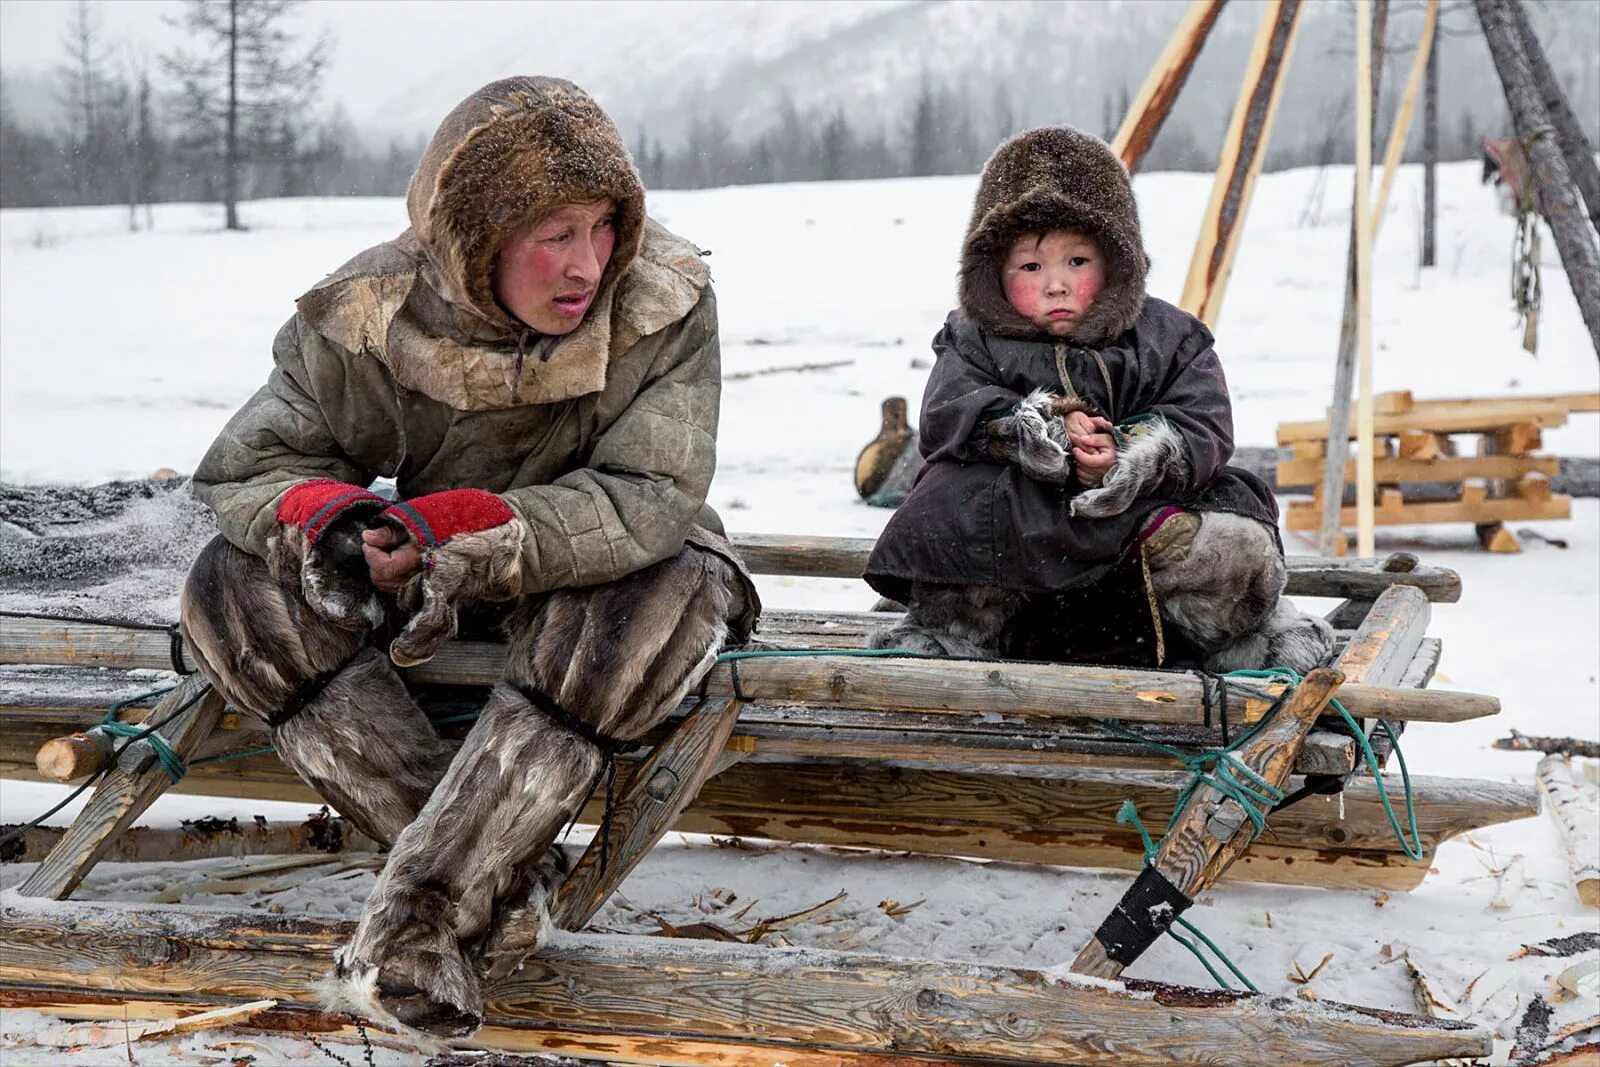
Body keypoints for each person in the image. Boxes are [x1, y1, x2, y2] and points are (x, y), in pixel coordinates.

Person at [179, 76, 758, 1037]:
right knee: (226, 589)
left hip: (608, 565)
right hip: (426, 579)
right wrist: (341, 525)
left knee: (666, 594)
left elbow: (649, 495)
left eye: (604, 226)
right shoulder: (366, 315)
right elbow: (253, 467)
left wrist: (459, 529)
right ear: (478, 237)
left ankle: (423, 917)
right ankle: (506, 870)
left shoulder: (662, 300)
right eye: (555, 234)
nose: (590, 263)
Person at [865, 126, 1331, 672]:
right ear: (992, 272)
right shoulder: (974, 339)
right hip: (1018, 518)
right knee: (947, 504)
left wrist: (1131, 449)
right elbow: (948, 413)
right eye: (1031, 267)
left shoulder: (1169, 336)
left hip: (1142, 514)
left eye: (1077, 262)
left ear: (1115, 261)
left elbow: (1204, 419)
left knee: (1234, 529)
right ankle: (956, 632)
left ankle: (1242, 637)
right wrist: (1036, 428)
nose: (1055, 285)